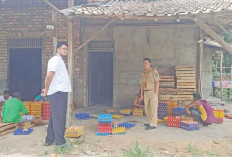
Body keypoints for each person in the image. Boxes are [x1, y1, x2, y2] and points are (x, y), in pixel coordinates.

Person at [42, 42, 71, 146]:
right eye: (63, 48)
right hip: (58, 92)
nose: (65, 51)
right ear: (58, 49)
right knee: (59, 117)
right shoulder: (55, 60)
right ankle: (60, 142)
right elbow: (49, 76)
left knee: (54, 116)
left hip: (59, 92)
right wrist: (46, 89)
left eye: (66, 49)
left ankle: (49, 139)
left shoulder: (59, 60)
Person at [140, 58, 160, 130]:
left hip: (152, 92)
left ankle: (153, 124)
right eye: (143, 63)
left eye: (146, 63)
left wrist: (156, 92)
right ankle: (149, 122)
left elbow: (157, 82)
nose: (144, 64)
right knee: (147, 108)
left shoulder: (154, 71)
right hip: (146, 92)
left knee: (153, 108)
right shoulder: (143, 74)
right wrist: (141, 94)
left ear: (149, 63)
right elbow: (142, 85)